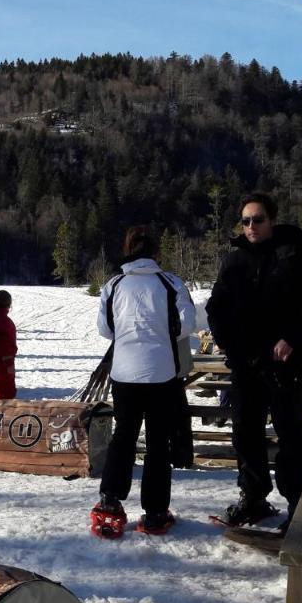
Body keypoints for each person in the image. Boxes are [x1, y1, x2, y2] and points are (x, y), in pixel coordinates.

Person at [205, 192, 302, 527]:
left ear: (271, 220)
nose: (251, 226)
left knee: (290, 436)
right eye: (245, 221)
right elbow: (215, 308)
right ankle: (253, 497)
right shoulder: (234, 261)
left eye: (257, 219)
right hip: (246, 364)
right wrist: (229, 345)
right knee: (246, 433)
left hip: (283, 364)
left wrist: (293, 338)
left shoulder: (297, 257)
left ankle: (298, 505)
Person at [90, 227, 196, 538]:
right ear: (156, 253)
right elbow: (185, 325)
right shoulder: (170, 283)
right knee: (158, 442)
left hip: (124, 373)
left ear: (127, 251)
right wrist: (159, 336)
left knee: (122, 436)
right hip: (161, 372)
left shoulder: (114, 285)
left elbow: (105, 329)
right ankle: (155, 511)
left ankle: (109, 499)